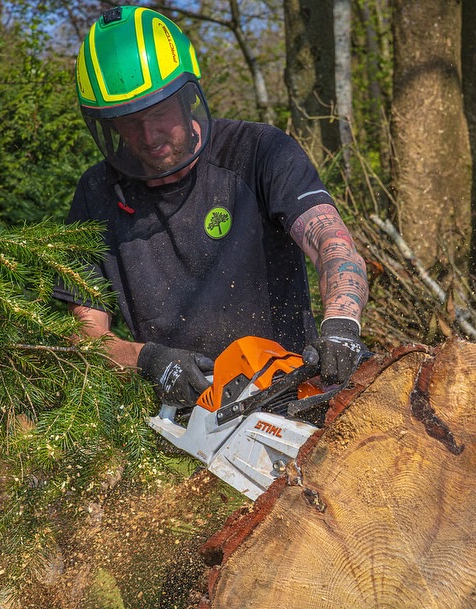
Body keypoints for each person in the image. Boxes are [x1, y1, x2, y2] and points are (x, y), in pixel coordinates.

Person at [54, 6, 369, 408]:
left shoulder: (259, 151)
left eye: (158, 112)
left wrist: (341, 324)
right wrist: (147, 359)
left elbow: (331, 240)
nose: (149, 135)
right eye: (129, 121)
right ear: (107, 124)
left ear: (187, 95)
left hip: (289, 389)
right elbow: (85, 334)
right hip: (175, 414)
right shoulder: (96, 193)